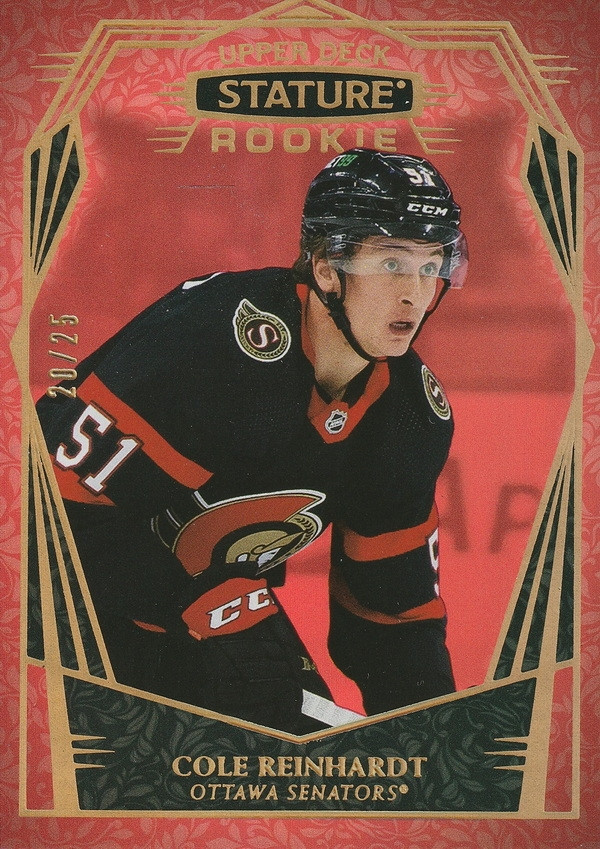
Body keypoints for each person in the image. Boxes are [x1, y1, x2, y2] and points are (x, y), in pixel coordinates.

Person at [36, 148, 468, 734]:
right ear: (326, 268)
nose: (416, 293)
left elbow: (392, 616)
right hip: (47, 604)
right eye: (392, 263)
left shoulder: (410, 415)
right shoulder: (211, 343)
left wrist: (435, 735)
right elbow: (45, 519)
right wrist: (205, 606)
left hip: (196, 608)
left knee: (309, 749)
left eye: (431, 265)